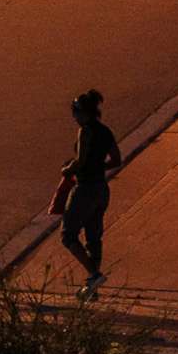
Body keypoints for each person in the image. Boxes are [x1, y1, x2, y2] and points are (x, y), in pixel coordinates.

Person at [59, 88, 124, 298]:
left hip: (85, 188)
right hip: (101, 189)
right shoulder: (106, 131)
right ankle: (91, 288)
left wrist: (68, 169)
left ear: (82, 112)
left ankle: (94, 274)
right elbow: (116, 160)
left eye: (75, 112)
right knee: (93, 237)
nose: (74, 117)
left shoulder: (85, 130)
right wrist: (99, 166)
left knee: (68, 235)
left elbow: (81, 160)